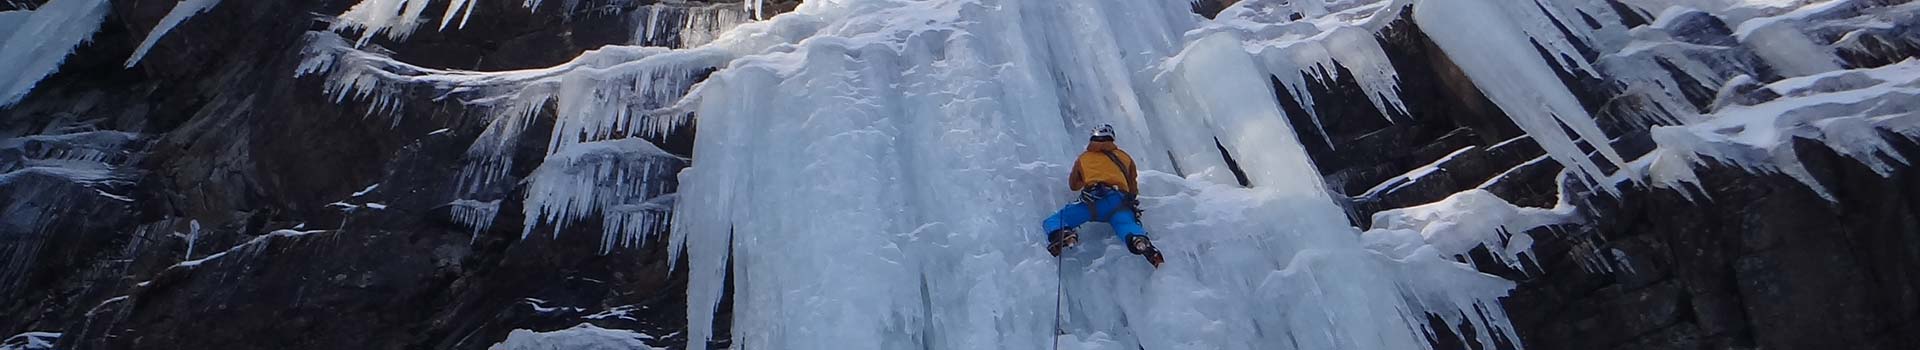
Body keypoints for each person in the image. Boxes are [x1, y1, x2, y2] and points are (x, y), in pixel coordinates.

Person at [1043, 124, 1164, 267]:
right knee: (1126, 224)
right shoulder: (1124, 157)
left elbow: (1074, 185)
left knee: (1055, 220)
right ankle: (1139, 241)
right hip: (1119, 201)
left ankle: (1064, 234)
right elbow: (1132, 186)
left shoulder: (1084, 158)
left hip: (1094, 200)